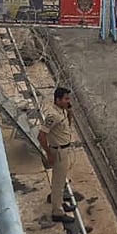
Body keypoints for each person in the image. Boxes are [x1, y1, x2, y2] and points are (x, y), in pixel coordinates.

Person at [38, 87, 76, 224]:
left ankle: (58, 202)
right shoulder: (53, 115)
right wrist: (49, 153)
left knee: (61, 180)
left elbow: (68, 127)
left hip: (64, 150)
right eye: (65, 99)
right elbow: (41, 136)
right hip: (58, 152)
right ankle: (57, 212)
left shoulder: (62, 112)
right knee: (58, 183)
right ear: (57, 100)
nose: (68, 101)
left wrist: (70, 111)